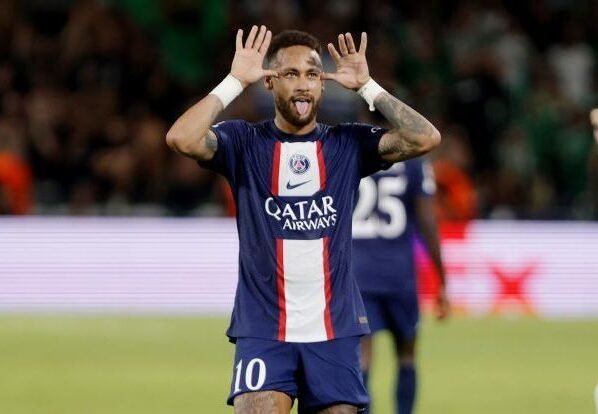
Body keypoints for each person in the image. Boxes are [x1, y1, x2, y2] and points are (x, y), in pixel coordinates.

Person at [166, 25, 441, 414]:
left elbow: (425, 138)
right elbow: (182, 138)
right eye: (291, 74)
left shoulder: (348, 144)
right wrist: (233, 83)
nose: (303, 84)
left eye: (312, 74)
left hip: (333, 331)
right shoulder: (243, 143)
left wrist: (368, 87)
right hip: (264, 330)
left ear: (323, 85)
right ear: (270, 82)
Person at [352, 157, 449, 414]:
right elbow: (427, 221)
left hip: (357, 273)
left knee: (362, 357)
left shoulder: (352, 151)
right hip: (399, 274)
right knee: (406, 354)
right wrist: (442, 278)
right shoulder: (414, 160)